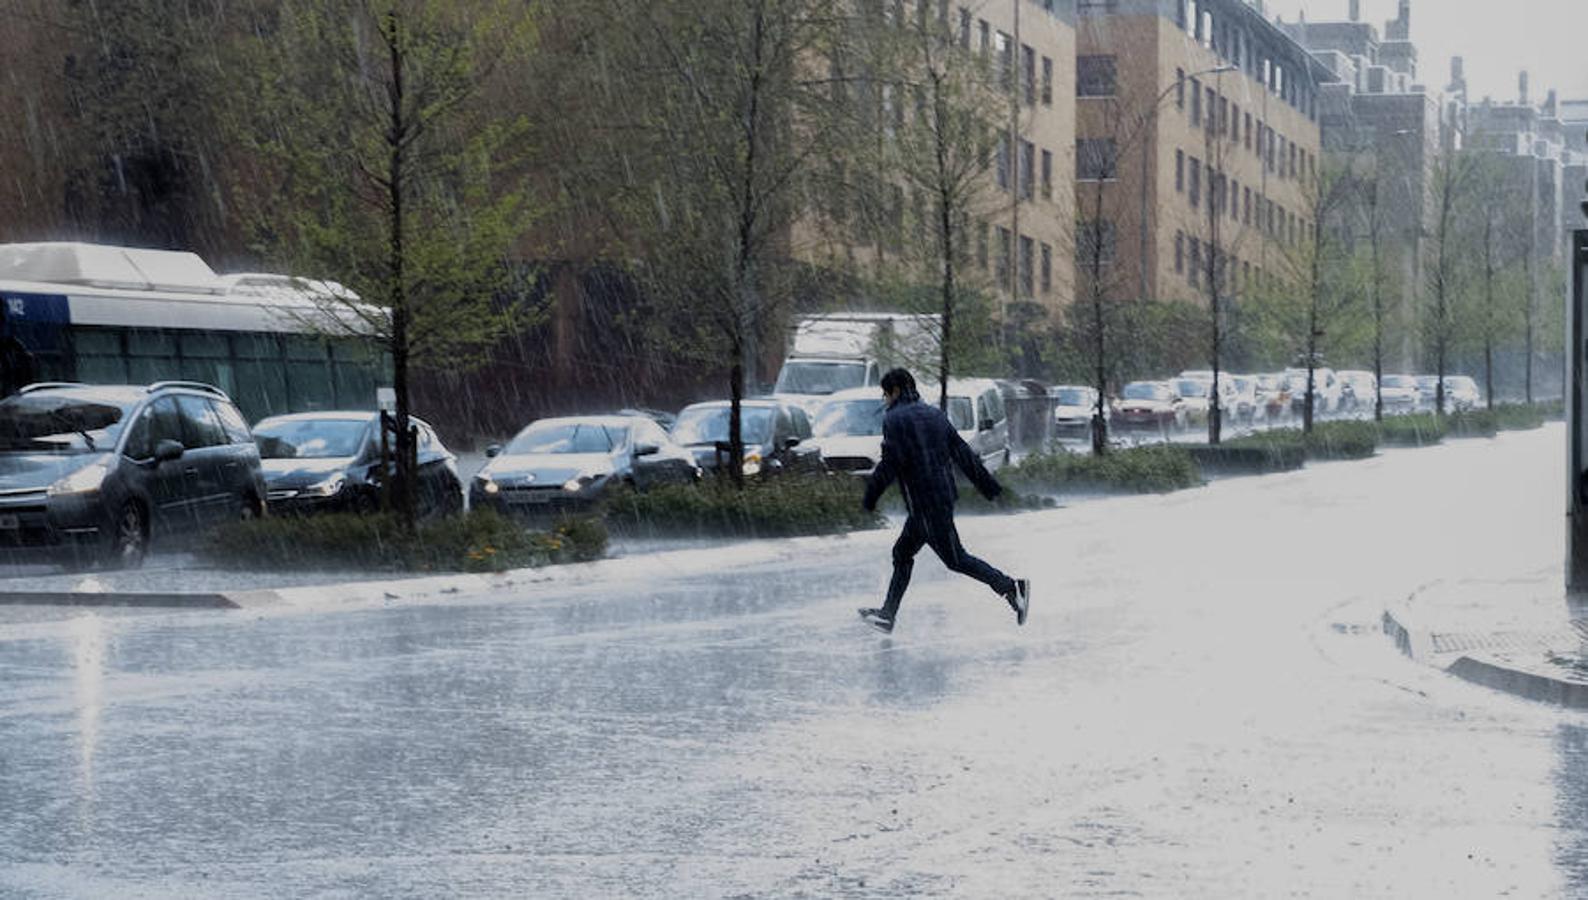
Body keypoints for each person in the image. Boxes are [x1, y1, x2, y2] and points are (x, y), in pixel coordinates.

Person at [858, 368, 1029, 634]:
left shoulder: (894, 419)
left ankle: (1011, 587)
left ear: (895, 391)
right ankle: (887, 615)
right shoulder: (935, 415)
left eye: (885, 393)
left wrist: (870, 497)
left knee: (956, 559)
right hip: (940, 499)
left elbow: (890, 463)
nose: (885, 399)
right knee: (902, 553)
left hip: (925, 504)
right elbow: (964, 455)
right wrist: (991, 489)